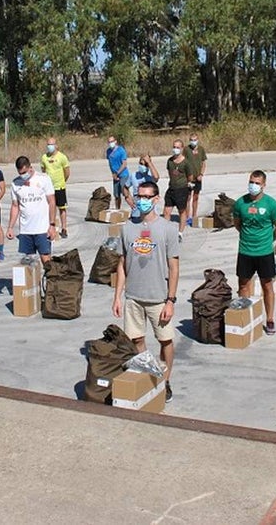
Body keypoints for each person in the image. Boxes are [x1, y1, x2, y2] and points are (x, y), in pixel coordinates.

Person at [112, 180, 180, 403]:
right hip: (133, 297)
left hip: (158, 298)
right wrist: (118, 296)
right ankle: (149, 372)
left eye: (146, 197)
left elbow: (174, 266)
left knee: (165, 341)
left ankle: (166, 379)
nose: (141, 201)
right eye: (139, 196)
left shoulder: (168, 228)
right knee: (136, 339)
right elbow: (122, 264)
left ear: (156, 199)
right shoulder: (127, 228)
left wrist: (170, 300)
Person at [232, 170, 276, 335]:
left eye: (257, 183)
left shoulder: (272, 205)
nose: (253, 186)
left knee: (267, 285)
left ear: (263, 185)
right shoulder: (240, 203)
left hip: (264, 252)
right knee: (243, 284)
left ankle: (269, 319)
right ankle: (245, 317)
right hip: (245, 251)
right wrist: (248, 237)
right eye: (251, 182)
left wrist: (269, 240)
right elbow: (237, 224)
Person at [6, 155, 58, 266]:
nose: (23, 175)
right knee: (28, 263)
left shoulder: (43, 179)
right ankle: (34, 282)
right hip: (26, 230)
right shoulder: (15, 184)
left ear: (30, 167)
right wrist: (10, 227)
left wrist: (52, 225)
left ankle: (49, 281)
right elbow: (15, 206)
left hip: (42, 229)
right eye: (20, 173)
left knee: (46, 259)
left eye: (24, 172)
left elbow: (52, 202)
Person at [162, 139, 194, 239]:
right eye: (174, 147)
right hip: (171, 188)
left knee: (182, 211)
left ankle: (180, 232)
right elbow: (170, 173)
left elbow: (190, 177)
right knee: (166, 212)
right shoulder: (170, 161)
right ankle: (165, 233)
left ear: (182, 148)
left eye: (177, 147)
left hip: (182, 189)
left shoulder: (186, 162)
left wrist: (186, 185)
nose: (175, 149)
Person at [40, 137, 71, 238]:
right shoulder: (44, 157)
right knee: (49, 207)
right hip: (48, 188)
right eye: (48, 144)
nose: (50, 146)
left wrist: (62, 181)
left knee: (62, 208)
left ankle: (64, 228)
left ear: (56, 145)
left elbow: (67, 172)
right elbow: (43, 170)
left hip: (59, 186)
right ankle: (50, 227)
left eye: (52, 144)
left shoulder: (62, 157)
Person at [184, 133, 208, 226]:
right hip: (189, 178)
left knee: (196, 197)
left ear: (198, 140)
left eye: (195, 140)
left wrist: (201, 174)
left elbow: (203, 163)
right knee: (188, 198)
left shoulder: (201, 149)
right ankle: (187, 217)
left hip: (198, 178)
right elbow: (183, 162)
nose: (193, 142)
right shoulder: (186, 149)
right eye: (191, 140)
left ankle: (194, 216)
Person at [105, 135, 134, 210]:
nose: (110, 143)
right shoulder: (108, 151)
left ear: (115, 141)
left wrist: (117, 173)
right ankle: (117, 210)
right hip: (115, 175)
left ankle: (134, 207)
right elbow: (111, 164)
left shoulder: (121, 150)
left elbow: (124, 164)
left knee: (125, 192)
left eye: (112, 141)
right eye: (109, 142)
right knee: (116, 195)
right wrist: (113, 174)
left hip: (123, 174)